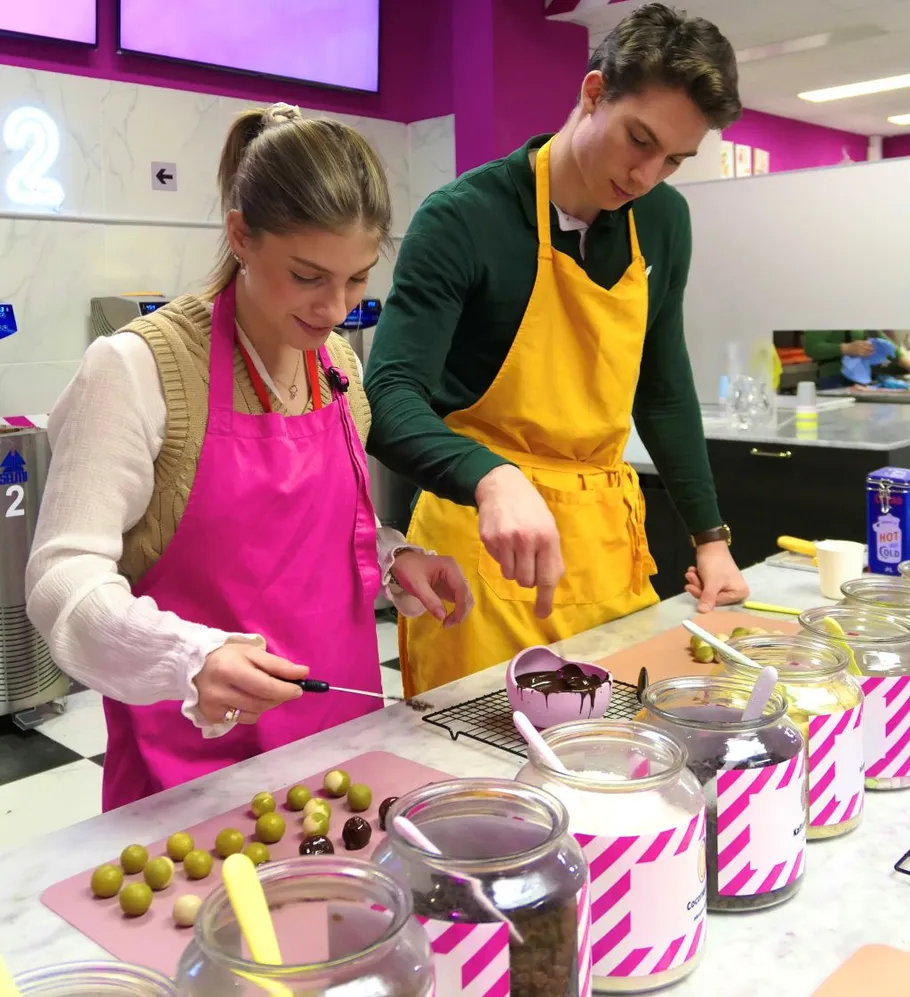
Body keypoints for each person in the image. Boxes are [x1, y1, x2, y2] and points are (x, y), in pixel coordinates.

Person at [26, 104, 473, 811]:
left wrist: (392, 557)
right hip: (199, 771)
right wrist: (187, 658)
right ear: (240, 234)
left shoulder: (336, 368)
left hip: (340, 746)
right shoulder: (135, 369)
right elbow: (61, 581)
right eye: (307, 276)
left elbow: (320, 533)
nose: (334, 309)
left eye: (356, 279)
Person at [364, 3, 750, 697]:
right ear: (594, 93)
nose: (646, 176)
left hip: (603, 550)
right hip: (483, 552)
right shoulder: (464, 219)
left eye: (673, 160)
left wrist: (710, 536)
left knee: (621, 753)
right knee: (490, 771)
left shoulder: (663, 222)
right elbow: (387, 397)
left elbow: (660, 387)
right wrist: (490, 476)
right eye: (639, 140)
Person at [804, 330, 910, 390]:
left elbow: (893, 351)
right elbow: (811, 348)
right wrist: (846, 348)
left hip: (864, 381)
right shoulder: (826, 316)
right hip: (835, 380)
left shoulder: (863, 320)